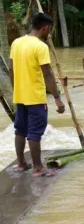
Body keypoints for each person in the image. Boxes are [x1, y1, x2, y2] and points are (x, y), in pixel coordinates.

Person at [9, 13, 65, 177]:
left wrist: (16, 89)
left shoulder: (16, 43)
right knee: (35, 132)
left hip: (20, 96)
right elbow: (47, 74)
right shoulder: (40, 47)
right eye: (49, 30)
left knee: (20, 130)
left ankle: (21, 164)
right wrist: (57, 97)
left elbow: (11, 69)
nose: (49, 33)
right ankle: (38, 167)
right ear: (45, 28)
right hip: (35, 97)